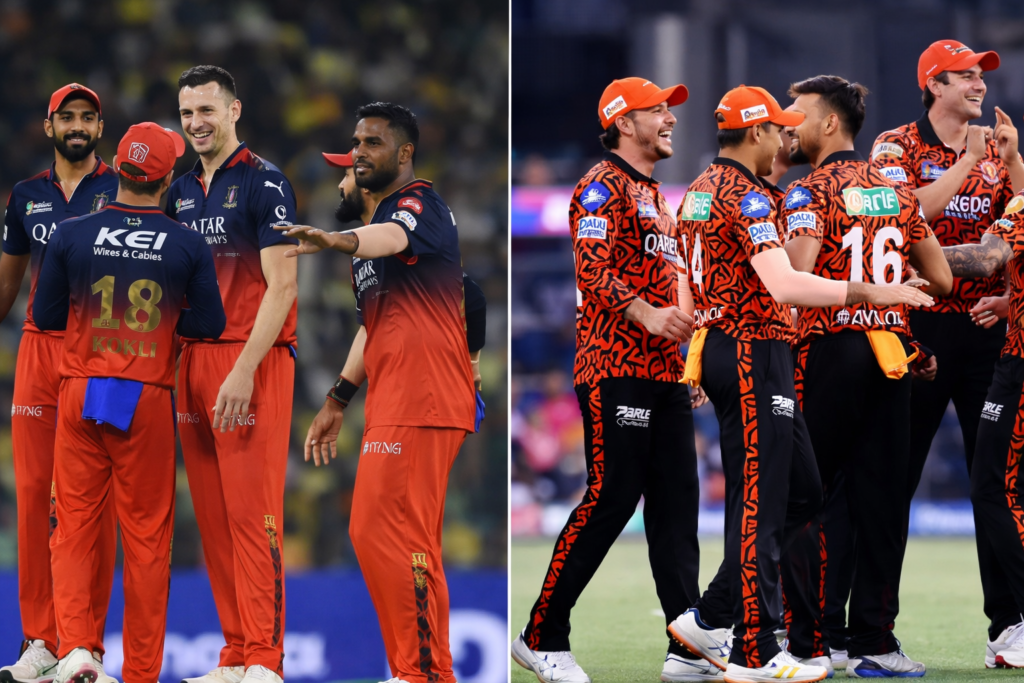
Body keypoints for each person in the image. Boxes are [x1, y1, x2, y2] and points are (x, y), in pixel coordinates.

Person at [668, 84, 934, 683]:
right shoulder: (754, 199)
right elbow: (787, 286)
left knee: (802, 493)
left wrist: (696, 352)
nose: (787, 137)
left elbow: (688, 285)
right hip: (752, 352)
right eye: (778, 129)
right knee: (766, 502)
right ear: (757, 133)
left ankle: (703, 630)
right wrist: (872, 290)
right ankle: (754, 652)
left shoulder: (697, 192)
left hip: (724, 347)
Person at [500, 76, 711, 683]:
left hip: (665, 371)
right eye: (658, 111)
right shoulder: (600, 186)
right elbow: (592, 272)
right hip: (614, 367)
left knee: (677, 507)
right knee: (612, 496)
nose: (670, 119)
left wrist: (689, 354)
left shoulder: (653, 194)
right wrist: (647, 315)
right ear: (624, 122)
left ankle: (686, 647)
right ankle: (541, 636)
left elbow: (673, 283)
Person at [276, 102, 476, 683]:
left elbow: (390, 237)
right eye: (352, 148)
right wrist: (338, 399)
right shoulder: (370, 249)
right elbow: (374, 327)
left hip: (424, 396)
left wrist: (337, 240)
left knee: (386, 532)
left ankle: (423, 672)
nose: (355, 158)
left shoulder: (416, 206)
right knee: (385, 532)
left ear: (404, 153)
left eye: (369, 145)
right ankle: (419, 668)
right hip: (398, 398)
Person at [33, 123, 225, 683]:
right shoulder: (187, 241)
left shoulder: (70, 233)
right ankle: (140, 671)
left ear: (114, 167)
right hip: (144, 399)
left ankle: (76, 652)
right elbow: (210, 323)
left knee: (71, 529)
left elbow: (45, 318)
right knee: (146, 539)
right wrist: (163, 326)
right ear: (169, 178)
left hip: (80, 391)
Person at [778, 75, 952, 677]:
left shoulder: (807, 192)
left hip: (827, 353)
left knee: (808, 497)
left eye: (795, 114)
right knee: (882, 501)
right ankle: (875, 644)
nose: (785, 125)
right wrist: (889, 290)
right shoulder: (897, 190)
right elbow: (944, 281)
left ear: (830, 124)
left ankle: (809, 639)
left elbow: (796, 281)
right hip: (889, 355)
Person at [870, 40, 1024, 664]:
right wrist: (966, 165)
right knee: (890, 483)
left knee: (998, 483)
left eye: (982, 75)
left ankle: (1009, 630)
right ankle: (873, 632)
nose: (980, 85)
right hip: (918, 334)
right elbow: (901, 228)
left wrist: (1012, 167)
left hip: (989, 334)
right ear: (934, 84)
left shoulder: (999, 148)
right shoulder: (892, 146)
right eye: (965, 76)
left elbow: (1018, 231)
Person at [165, 65, 299, 683]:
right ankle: (235, 654)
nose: (195, 123)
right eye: (187, 112)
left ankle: (266, 662)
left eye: (207, 111)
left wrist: (243, 371)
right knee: (215, 522)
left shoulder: (265, 183)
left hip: (250, 359)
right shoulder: (180, 190)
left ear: (234, 111)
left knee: (254, 515)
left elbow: (284, 286)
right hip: (191, 361)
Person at [0, 83, 119, 683]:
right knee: (31, 499)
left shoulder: (124, 190)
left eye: (87, 117)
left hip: (102, 354)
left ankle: (86, 644)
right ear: (48, 127)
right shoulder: (25, 197)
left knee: (87, 507)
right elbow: (6, 288)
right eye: (66, 116)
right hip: (41, 354)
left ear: (100, 128)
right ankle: (39, 641)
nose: (77, 124)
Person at [940, 192, 1024, 669]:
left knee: (992, 489)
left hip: (1020, 370)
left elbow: (987, 257)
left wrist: (900, 249)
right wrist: (1013, 304)